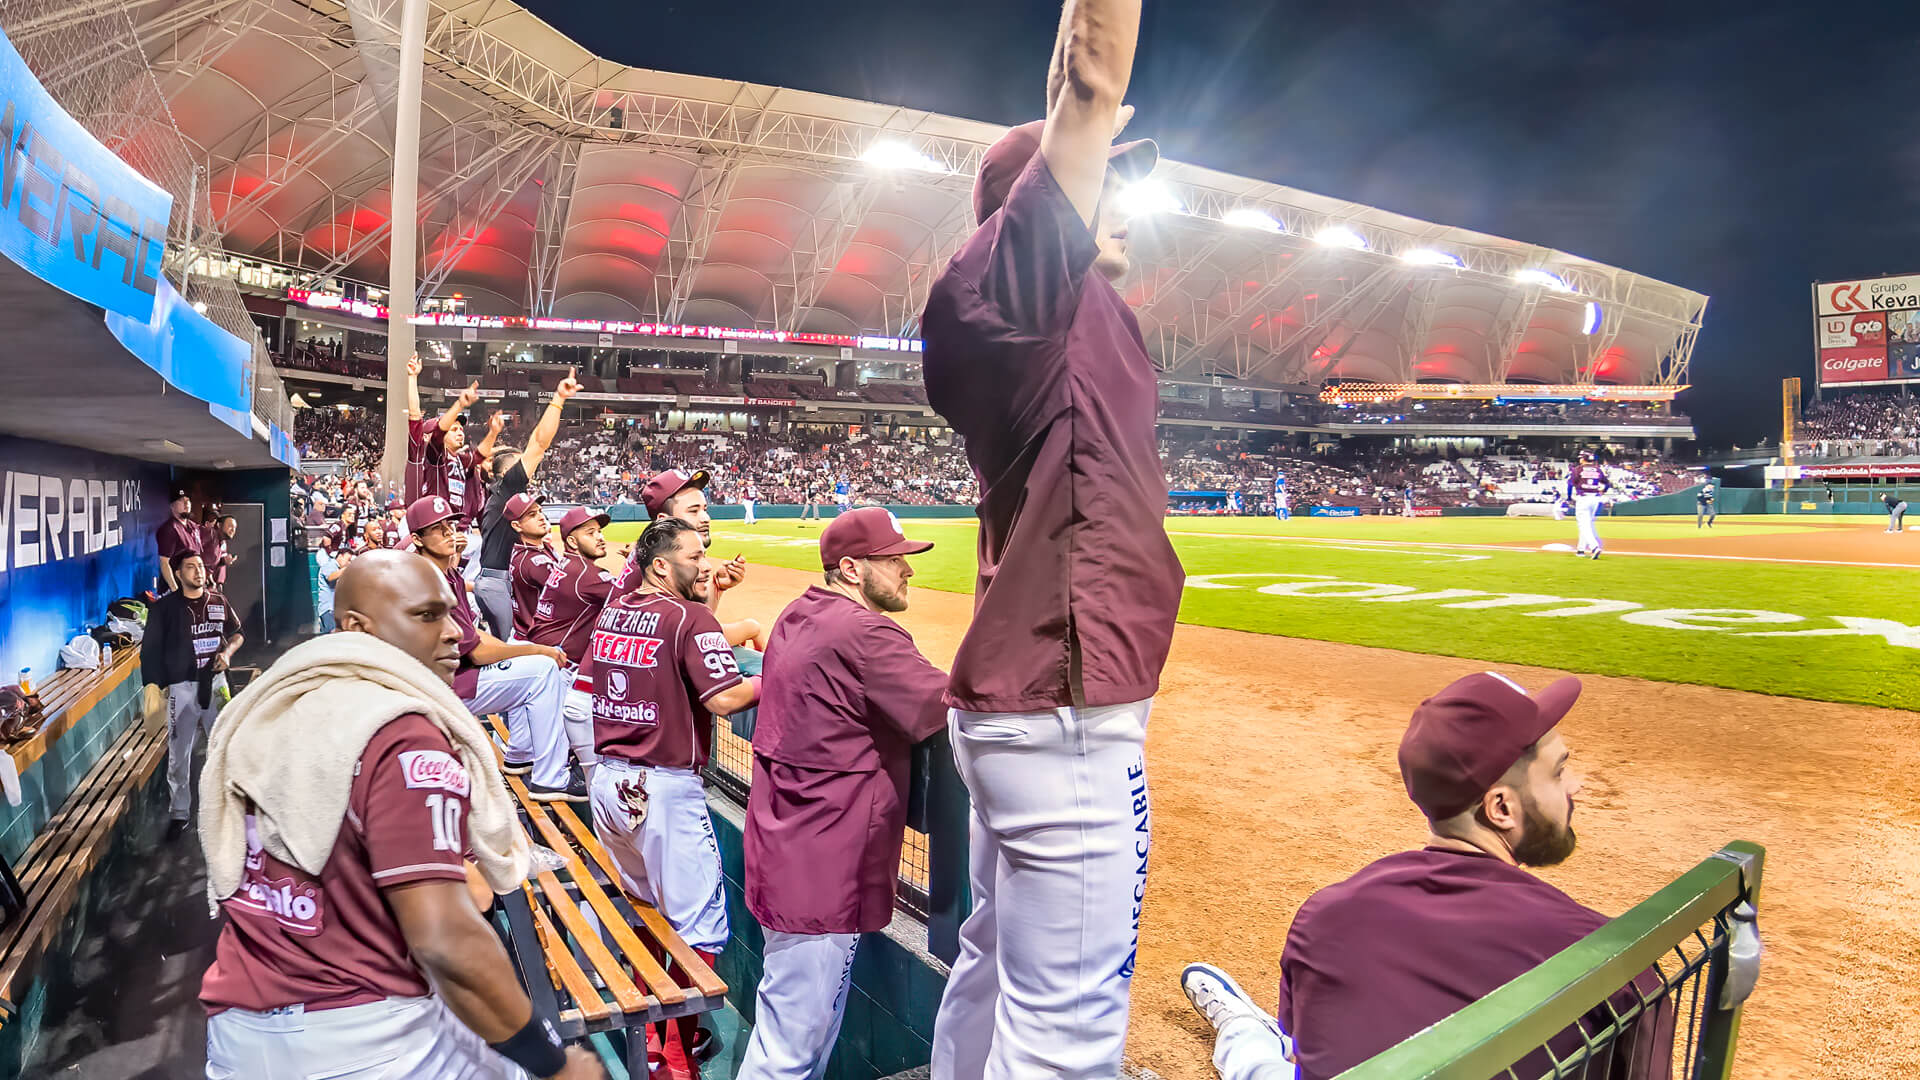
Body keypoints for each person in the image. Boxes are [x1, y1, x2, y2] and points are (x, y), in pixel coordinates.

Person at [921, 0, 1185, 1071]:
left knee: (992, 968)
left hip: (1029, 698)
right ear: (1037, 208)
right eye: (1100, 176)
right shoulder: (1017, 285)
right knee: (1067, 1033)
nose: (1119, 193)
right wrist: (1087, 87)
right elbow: (1086, 79)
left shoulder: (1040, 303)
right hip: (1068, 706)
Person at [197, 549, 604, 1080]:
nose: (454, 631)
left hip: (239, 1032)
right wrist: (552, 1062)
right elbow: (445, 937)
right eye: (427, 615)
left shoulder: (283, 703)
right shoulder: (400, 731)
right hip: (362, 1034)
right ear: (356, 627)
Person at [1179, 672, 1675, 1080]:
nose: (1578, 786)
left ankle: (1242, 1027)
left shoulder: (1323, 918)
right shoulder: (1607, 957)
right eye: (1559, 770)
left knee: (1266, 1065)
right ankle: (1244, 1028)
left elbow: (1306, 1055)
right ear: (1500, 807)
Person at [738, 509, 948, 1079]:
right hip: (825, 863)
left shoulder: (799, 611)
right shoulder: (866, 631)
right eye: (894, 558)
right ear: (852, 568)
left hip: (786, 844)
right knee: (790, 1047)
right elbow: (944, 708)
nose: (907, 569)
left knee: (796, 1026)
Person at [587, 519, 761, 1067]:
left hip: (609, 785)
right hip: (662, 791)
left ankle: (650, 1040)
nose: (704, 562)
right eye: (695, 554)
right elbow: (727, 699)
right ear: (662, 565)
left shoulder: (616, 610)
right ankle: (676, 1057)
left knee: (644, 911)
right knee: (702, 926)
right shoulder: (689, 616)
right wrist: (783, 669)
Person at [409, 495, 582, 803]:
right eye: (437, 529)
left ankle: (520, 754)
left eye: (449, 525)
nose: (450, 533)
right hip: (441, 690)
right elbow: (476, 652)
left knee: (521, 652)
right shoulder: (425, 581)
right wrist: (536, 652)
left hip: (452, 679)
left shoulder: (447, 573)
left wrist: (523, 650)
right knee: (541, 669)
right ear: (417, 539)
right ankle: (551, 778)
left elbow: (473, 635)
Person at [140, 551, 243, 837]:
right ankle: (180, 814)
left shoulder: (218, 601)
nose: (198, 571)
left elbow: (237, 633)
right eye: (190, 567)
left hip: (216, 683)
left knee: (225, 746)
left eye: (200, 566)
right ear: (178, 573)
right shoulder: (164, 609)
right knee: (179, 754)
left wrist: (227, 652)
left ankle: (229, 806)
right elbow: (149, 651)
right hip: (181, 688)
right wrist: (152, 687)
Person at [475, 370, 581, 640]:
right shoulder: (507, 486)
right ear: (505, 471)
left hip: (493, 579)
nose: (526, 466)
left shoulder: (498, 497)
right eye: (517, 461)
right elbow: (539, 444)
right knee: (505, 651)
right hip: (497, 582)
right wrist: (558, 399)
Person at [618, 469, 766, 651]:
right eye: (693, 511)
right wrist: (750, 628)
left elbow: (691, 625)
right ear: (665, 520)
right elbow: (691, 640)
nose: (705, 518)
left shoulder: (655, 552)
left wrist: (718, 588)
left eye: (705, 509)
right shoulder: (658, 565)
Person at [526, 506, 618, 784]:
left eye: (600, 531)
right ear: (573, 541)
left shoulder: (566, 566)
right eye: (591, 533)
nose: (600, 537)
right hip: (558, 670)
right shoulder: (587, 575)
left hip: (542, 662)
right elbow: (634, 601)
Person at [507, 494, 559, 640]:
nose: (541, 517)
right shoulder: (533, 561)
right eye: (532, 515)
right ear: (517, 526)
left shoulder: (536, 549)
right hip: (538, 639)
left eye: (540, 511)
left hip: (525, 632)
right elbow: (572, 592)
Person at [1566, 450, 1612, 559]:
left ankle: (1594, 547)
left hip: (1583, 498)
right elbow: (1607, 483)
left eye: (1581, 457)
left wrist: (1568, 498)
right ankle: (1581, 550)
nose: (1579, 459)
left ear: (1584, 459)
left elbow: (1570, 484)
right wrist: (1603, 491)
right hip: (1595, 499)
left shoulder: (1578, 469)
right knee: (1587, 524)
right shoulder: (1597, 470)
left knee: (1584, 525)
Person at [155, 488, 203, 593]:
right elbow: (164, 563)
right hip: (177, 587)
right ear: (172, 506)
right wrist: (174, 589)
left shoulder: (193, 526)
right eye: (181, 500)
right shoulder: (169, 529)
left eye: (188, 500)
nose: (186, 503)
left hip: (192, 586)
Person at [316, 542, 350, 634]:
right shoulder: (330, 565)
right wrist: (346, 569)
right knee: (332, 636)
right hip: (328, 609)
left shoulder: (337, 568)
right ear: (340, 556)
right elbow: (330, 577)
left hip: (332, 610)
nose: (349, 563)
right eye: (348, 559)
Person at [202, 509, 237, 588]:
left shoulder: (223, 543)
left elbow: (211, 565)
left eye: (235, 528)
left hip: (209, 583)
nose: (233, 530)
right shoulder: (209, 534)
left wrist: (224, 561)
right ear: (219, 525)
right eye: (230, 526)